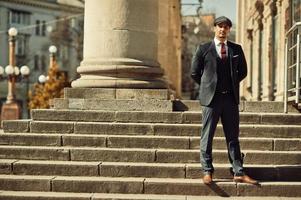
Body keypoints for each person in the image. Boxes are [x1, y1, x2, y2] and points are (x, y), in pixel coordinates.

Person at [191, 16, 258, 185]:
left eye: (226, 27)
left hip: (230, 99)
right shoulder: (203, 49)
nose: (223, 29)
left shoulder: (236, 49)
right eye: (220, 26)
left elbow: (243, 71)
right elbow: (194, 72)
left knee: (233, 137)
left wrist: (232, 84)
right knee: (207, 136)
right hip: (211, 100)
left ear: (229, 30)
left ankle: (238, 171)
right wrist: (207, 86)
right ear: (215, 28)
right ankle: (207, 171)